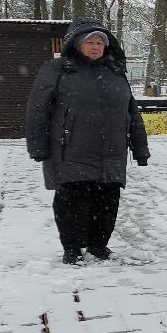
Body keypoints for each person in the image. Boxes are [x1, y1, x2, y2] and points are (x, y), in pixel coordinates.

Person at [24, 19, 149, 265]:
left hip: (111, 151)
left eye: (99, 42)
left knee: (107, 201)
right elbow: (38, 110)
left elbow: (131, 112)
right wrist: (38, 145)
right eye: (89, 42)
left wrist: (140, 148)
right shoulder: (57, 70)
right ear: (76, 44)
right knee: (72, 201)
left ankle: (98, 245)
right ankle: (71, 248)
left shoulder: (115, 72)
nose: (95, 47)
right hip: (71, 150)